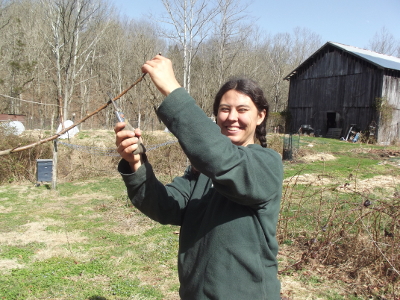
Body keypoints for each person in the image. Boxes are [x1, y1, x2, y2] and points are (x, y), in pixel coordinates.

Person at [115, 55, 283, 300]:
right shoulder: (203, 172)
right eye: (224, 110)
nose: (232, 117)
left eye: (243, 110)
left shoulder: (266, 164)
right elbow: (165, 207)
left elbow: (224, 161)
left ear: (260, 116)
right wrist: (136, 164)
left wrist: (173, 91)